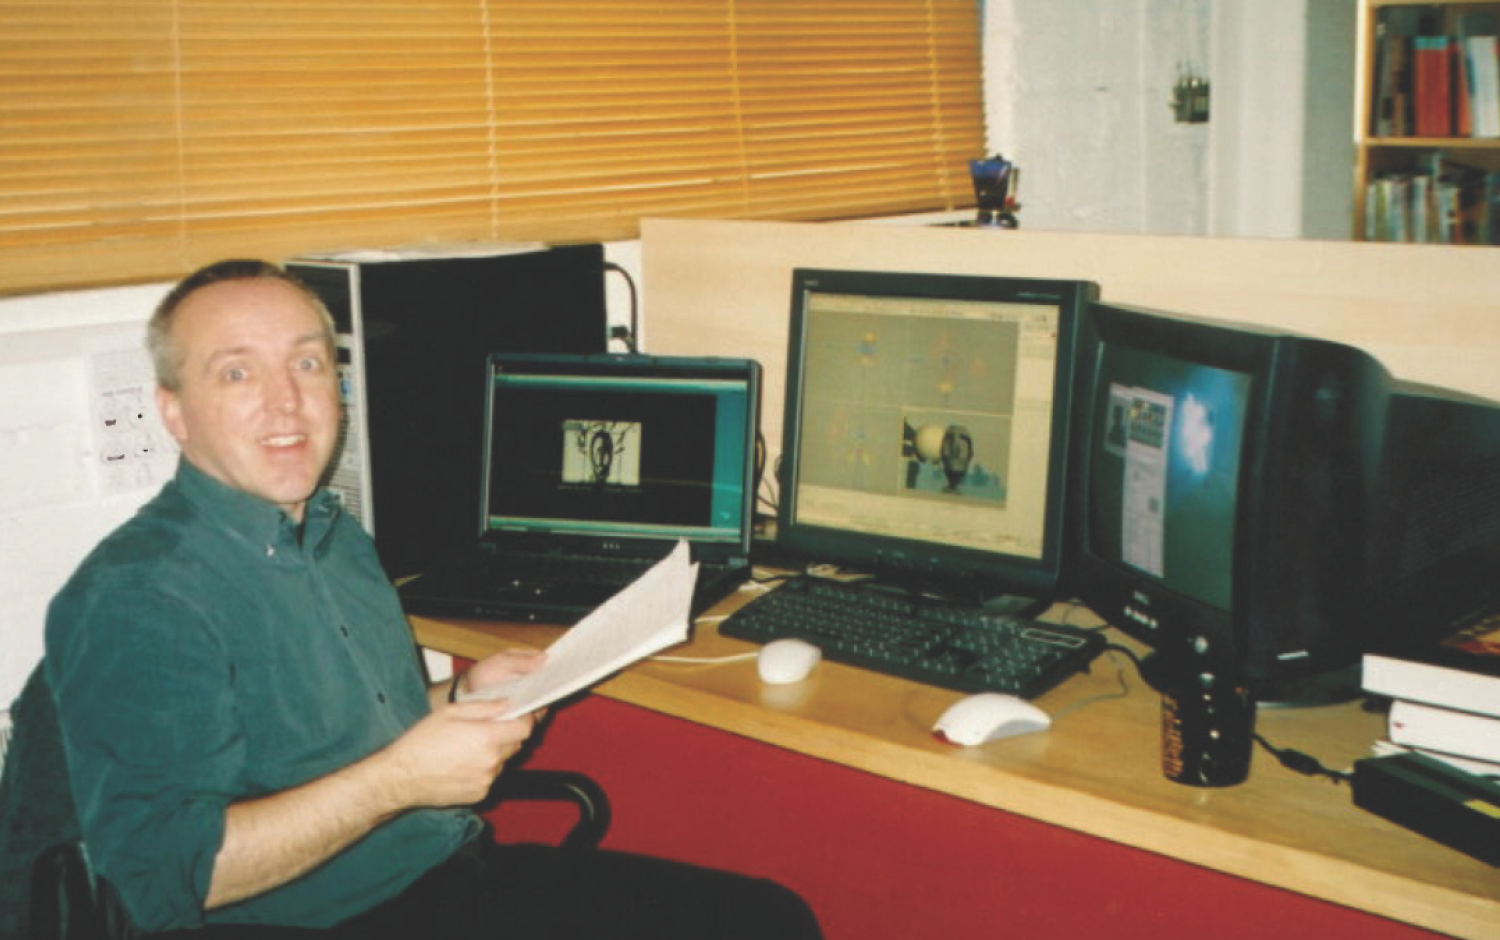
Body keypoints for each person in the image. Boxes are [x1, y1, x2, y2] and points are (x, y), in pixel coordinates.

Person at [45, 259, 822, 940]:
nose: (285, 402)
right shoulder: (139, 598)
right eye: (238, 373)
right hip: (320, 919)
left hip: (446, 874)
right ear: (174, 412)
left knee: (766, 919)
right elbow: (167, 876)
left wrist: (461, 693)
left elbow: (334, 734)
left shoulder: (329, 532)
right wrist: (400, 781)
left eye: (308, 365)